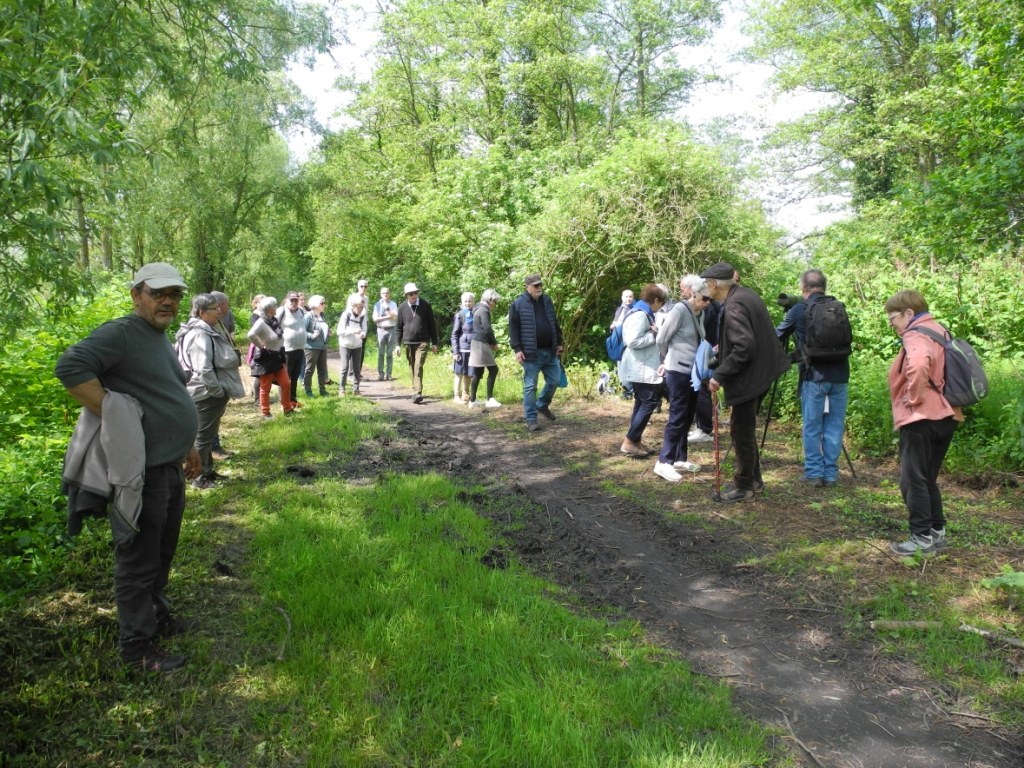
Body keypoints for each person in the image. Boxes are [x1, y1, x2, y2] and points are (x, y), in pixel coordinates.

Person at [55, 262, 201, 672]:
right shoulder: (121, 333)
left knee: (162, 552)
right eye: (158, 293)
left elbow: (168, 392)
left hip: (168, 466)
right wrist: (117, 416)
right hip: (142, 474)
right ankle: (137, 648)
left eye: (174, 294)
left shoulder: (157, 335)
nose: (168, 301)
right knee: (138, 560)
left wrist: (187, 445)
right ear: (136, 295)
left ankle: (156, 616)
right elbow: (69, 368)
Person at [702, 262, 791, 502]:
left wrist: (719, 375)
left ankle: (744, 487)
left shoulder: (734, 305)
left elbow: (745, 347)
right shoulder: (745, 294)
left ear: (714, 284)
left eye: (705, 284)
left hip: (752, 374)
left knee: (740, 429)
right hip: (762, 369)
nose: (704, 288)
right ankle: (754, 480)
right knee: (745, 428)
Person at [885, 290, 962, 555]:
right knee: (927, 477)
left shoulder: (915, 334)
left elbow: (918, 366)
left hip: (922, 416)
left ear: (908, 313)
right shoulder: (939, 330)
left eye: (893, 317)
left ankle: (921, 539)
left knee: (912, 479)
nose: (891, 323)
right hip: (947, 414)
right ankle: (936, 531)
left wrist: (913, 398)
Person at [776, 269, 850, 487]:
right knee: (834, 426)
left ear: (803, 288)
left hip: (814, 376)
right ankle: (830, 474)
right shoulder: (838, 307)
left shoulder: (800, 309)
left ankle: (814, 473)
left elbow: (777, 335)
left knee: (812, 425)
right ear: (824, 286)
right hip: (840, 375)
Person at [175, 293, 245, 489]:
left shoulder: (201, 329)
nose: (219, 311)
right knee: (203, 437)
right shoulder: (200, 334)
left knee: (207, 434)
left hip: (204, 392)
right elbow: (203, 367)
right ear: (201, 312)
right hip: (204, 393)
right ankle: (199, 478)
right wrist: (217, 391)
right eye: (214, 309)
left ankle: (208, 472)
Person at [652, 281, 710, 482]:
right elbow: (661, 339)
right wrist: (667, 360)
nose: (707, 303)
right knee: (677, 416)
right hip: (677, 370)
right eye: (704, 298)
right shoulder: (679, 310)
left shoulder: (699, 313)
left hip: (692, 372)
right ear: (694, 294)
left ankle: (679, 457)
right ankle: (663, 462)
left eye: (710, 299)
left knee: (688, 415)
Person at [509, 273, 563, 432]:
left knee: (555, 380)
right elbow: (513, 328)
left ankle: (542, 405)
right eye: (536, 286)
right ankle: (531, 419)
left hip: (550, 350)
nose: (539, 288)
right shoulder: (518, 303)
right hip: (531, 353)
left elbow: (554, 322)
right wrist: (517, 349)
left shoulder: (547, 300)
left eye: (540, 285)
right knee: (530, 386)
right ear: (527, 287)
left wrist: (559, 342)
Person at [618, 284, 669, 457]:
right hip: (640, 367)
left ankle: (635, 440)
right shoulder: (640, 314)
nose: (660, 308)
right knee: (648, 403)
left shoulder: (642, 312)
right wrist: (654, 335)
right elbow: (632, 341)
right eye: (660, 304)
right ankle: (630, 441)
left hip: (642, 366)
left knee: (642, 403)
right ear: (655, 300)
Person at [247, 297, 295, 419]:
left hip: (278, 357)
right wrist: (261, 346)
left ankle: (287, 409)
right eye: (274, 306)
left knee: (286, 383)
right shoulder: (261, 322)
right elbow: (250, 335)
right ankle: (265, 413)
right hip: (267, 358)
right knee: (266, 387)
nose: (276, 308)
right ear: (269, 309)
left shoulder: (274, 320)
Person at [396, 282, 439, 404]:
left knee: (418, 365)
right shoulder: (402, 307)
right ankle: (415, 390)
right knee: (412, 366)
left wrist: (435, 343)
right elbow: (398, 327)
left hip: (423, 341)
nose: (414, 295)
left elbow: (432, 325)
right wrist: (397, 345)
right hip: (408, 342)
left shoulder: (425, 305)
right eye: (411, 294)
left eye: (416, 293)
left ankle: (418, 392)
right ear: (406, 295)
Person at [208, 290, 238, 459]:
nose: (228, 307)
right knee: (209, 419)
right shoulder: (205, 326)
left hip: (221, 375)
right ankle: (211, 452)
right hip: (212, 380)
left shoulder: (219, 321)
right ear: (219, 305)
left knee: (216, 415)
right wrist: (216, 388)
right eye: (226, 303)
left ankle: (215, 448)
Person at [467, 289, 502, 409]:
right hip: (481, 343)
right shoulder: (484, 310)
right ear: (490, 299)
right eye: (495, 302)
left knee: (478, 372)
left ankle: (472, 400)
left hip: (476, 342)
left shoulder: (477, 309)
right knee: (493, 370)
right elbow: (487, 329)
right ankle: (489, 399)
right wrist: (494, 343)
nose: (495, 305)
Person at [277, 292, 307, 410]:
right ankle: (284, 402)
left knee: (295, 376)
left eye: (296, 300)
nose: (294, 303)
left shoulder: (301, 311)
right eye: (292, 300)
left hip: (300, 349)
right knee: (286, 378)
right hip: (287, 350)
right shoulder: (281, 311)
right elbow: (275, 326)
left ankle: (292, 400)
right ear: (286, 300)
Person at [337, 293, 368, 395]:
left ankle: (356, 389)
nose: (360, 309)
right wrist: (352, 331)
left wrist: (363, 334)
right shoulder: (346, 315)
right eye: (358, 307)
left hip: (357, 345)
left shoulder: (363, 316)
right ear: (353, 305)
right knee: (345, 367)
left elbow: (364, 329)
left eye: (361, 307)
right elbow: (339, 331)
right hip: (345, 344)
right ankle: (342, 389)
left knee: (357, 368)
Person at [303, 295, 331, 396]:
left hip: (323, 346)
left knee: (322, 370)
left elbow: (323, 328)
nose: (324, 305)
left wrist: (328, 332)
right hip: (311, 347)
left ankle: (322, 390)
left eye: (324, 303)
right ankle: (308, 391)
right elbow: (303, 332)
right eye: (322, 303)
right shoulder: (308, 316)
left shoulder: (322, 316)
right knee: (310, 369)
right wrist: (312, 335)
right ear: (315, 304)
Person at [610, 289, 635, 399]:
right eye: (626, 297)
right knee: (621, 368)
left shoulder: (636, 310)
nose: (628, 299)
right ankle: (626, 391)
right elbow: (615, 324)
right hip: (619, 343)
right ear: (622, 298)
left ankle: (629, 393)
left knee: (630, 368)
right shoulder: (619, 310)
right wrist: (613, 326)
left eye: (630, 297)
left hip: (630, 343)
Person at [451, 292, 475, 403]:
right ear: (461, 303)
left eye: (469, 301)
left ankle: (466, 393)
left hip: (473, 348)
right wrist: (455, 352)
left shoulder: (476, 314)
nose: (467, 303)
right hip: (461, 349)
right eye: (465, 301)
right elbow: (454, 334)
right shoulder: (459, 315)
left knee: (469, 373)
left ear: (473, 302)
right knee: (459, 373)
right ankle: (456, 395)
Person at [373, 287, 399, 381]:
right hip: (381, 330)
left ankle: (389, 374)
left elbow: (395, 317)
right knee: (381, 353)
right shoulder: (377, 305)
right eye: (383, 293)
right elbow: (375, 319)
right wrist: (389, 316)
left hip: (391, 329)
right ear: (381, 294)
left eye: (387, 293)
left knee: (389, 353)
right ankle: (380, 374)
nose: (385, 294)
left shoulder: (393, 304)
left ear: (389, 294)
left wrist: (387, 309)